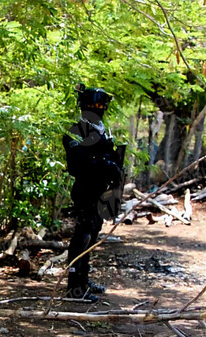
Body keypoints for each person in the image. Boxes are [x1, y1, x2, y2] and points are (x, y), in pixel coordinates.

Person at [63, 85, 123, 303]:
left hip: (101, 190)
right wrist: (106, 164)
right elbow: (80, 163)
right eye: (95, 104)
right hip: (85, 190)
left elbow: (108, 157)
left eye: (101, 104)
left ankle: (83, 280)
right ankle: (74, 288)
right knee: (83, 236)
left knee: (92, 235)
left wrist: (113, 166)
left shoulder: (100, 129)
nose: (98, 108)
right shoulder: (76, 130)